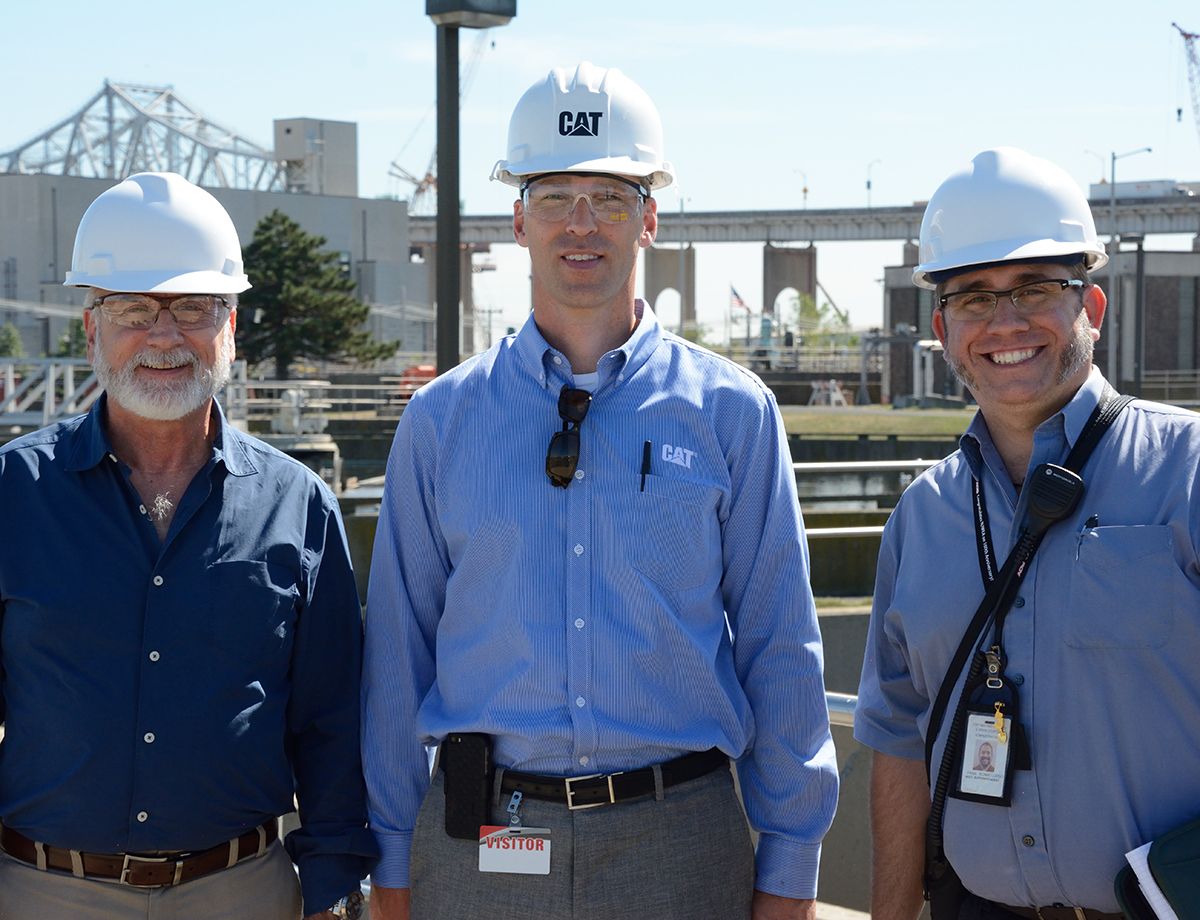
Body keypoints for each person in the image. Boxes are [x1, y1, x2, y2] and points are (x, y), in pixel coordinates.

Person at [363, 62, 837, 920]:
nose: (581, 224)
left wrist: (792, 864)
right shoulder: (441, 422)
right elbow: (397, 656)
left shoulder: (732, 413)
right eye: (555, 197)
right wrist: (392, 861)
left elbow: (781, 646)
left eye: (611, 197)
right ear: (517, 219)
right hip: (481, 842)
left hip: (682, 843)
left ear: (650, 218)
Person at [0, 172, 377, 919]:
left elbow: (331, 720)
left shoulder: (297, 505)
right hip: (43, 891)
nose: (165, 336)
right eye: (134, 309)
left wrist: (334, 885)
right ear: (91, 328)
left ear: (230, 326)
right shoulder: (13, 493)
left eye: (195, 309)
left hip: (240, 889)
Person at [855, 147, 1200, 920]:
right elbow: (899, 744)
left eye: (1037, 288)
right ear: (943, 328)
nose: (1005, 322)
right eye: (974, 298)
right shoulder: (922, 518)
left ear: (1094, 309)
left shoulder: (1189, 472)